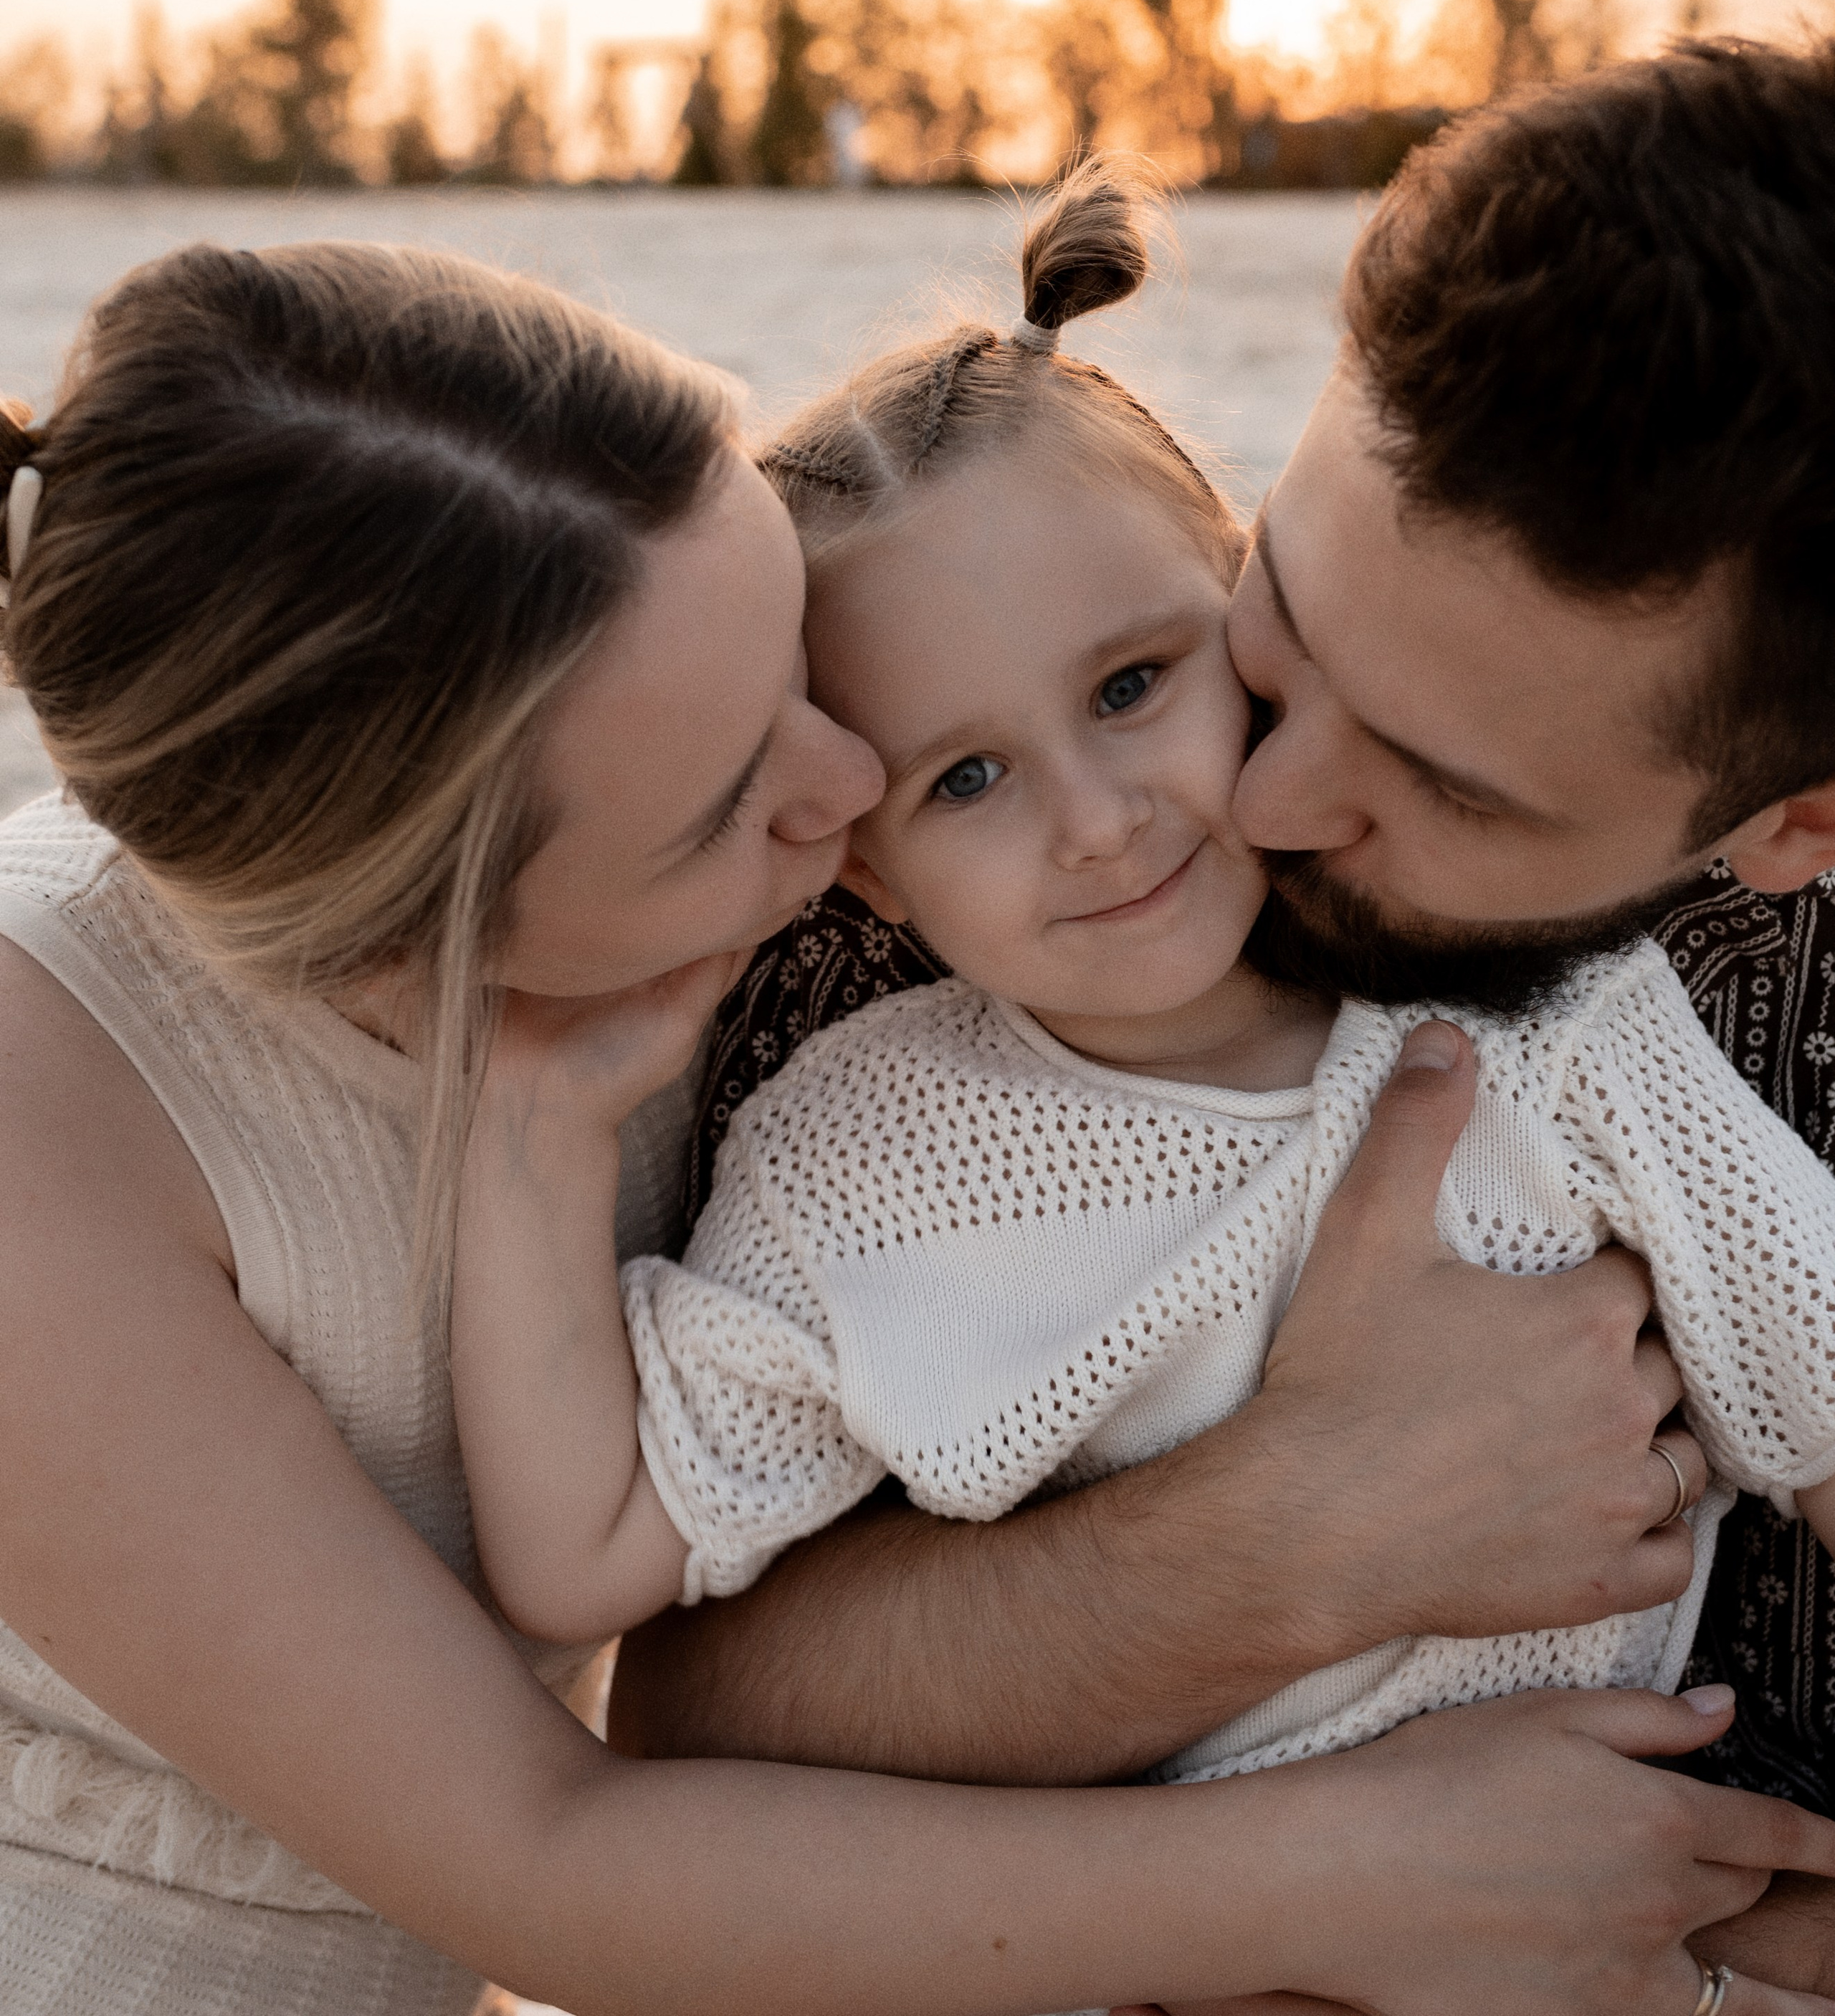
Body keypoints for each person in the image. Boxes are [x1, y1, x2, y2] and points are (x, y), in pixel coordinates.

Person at [4, 234, 1803, 2016]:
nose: (842, 784)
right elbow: (562, 1839)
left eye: (782, 647)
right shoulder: (71, 1128)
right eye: (733, 796)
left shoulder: (1482, 961)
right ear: (434, 941)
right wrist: (1357, 1857)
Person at [609, 33, 1835, 2005]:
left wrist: (1715, 1909)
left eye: (1439, 781)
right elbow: (682, 1720)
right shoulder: (884, 983)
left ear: (1794, 825)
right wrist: (1296, 1545)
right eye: (1283, 631)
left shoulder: (1632, 1033)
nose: (1255, 803)